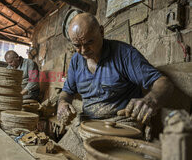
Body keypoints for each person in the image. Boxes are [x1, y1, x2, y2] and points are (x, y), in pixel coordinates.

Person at [56, 13, 174, 158]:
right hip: (86, 123)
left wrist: (152, 100)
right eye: (77, 45)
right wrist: (62, 103)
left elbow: (164, 83)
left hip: (121, 124)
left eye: (89, 42)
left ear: (101, 31)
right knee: (58, 154)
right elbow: (67, 91)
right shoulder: (76, 60)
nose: (83, 50)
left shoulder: (124, 54)